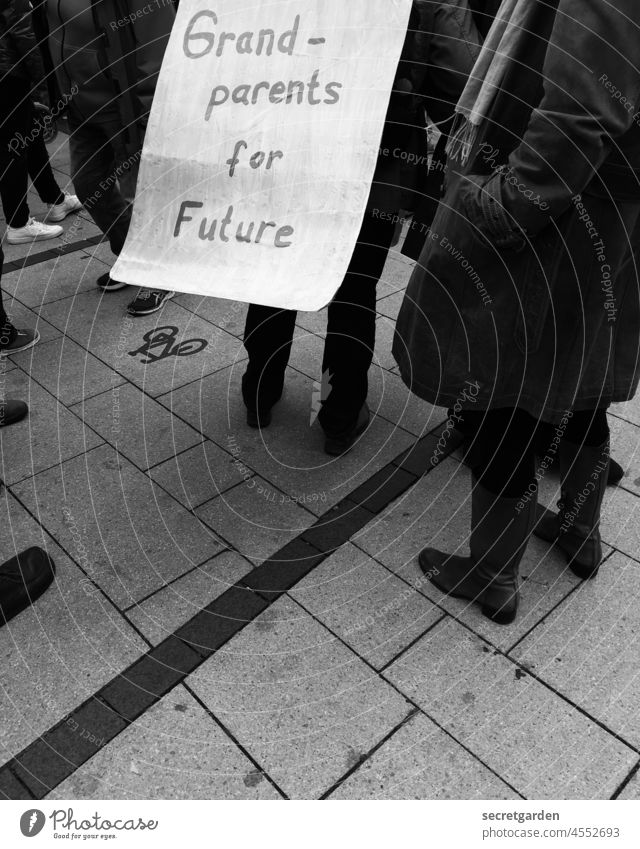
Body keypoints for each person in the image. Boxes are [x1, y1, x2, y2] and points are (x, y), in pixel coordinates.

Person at [393, 0, 640, 624]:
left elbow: (580, 114)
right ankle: (581, 534)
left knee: (513, 394)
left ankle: (493, 574)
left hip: (561, 218)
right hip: (613, 215)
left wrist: (499, 203)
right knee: (579, 376)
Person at [241, 0, 482, 456]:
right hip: (375, 172)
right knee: (354, 291)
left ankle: (260, 390)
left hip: (286, 153)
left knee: (275, 273)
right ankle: (338, 415)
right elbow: (461, 90)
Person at [38, 0, 176, 315]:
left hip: (125, 107)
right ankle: (133, 257)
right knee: (88, 186)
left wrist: (150, 109)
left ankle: (160, 274)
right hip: (78, 107)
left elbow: (158, 45)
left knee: (139, 194)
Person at [0, 0, 81, 244]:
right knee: (14, 148)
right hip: (9, 72)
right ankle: (18, 223)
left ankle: (55, 199)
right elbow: (24, 35)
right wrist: (40, 89)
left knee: (30, 136)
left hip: (7, 69)